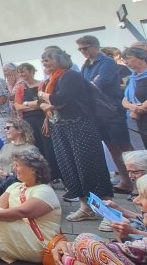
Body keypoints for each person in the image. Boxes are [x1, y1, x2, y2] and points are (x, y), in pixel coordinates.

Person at [38, 47, 113, 222]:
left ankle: (108, 213)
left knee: (89, 167)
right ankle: (85, 207)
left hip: (80, 127)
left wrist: (45, 97)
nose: (45, 62)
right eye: (43, 59)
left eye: (48, 58)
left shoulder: (69, 75)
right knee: (70, 168)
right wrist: (49, 102)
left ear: (59, 59)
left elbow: (59, 99)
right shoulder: (51, 80)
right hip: (60, 128)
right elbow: (45, 103)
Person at [77, 35, 135, 194]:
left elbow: (98, 85)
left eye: (85, 48)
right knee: (111, 146)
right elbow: (84, 87)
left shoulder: (107, 62)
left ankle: (138, 183)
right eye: (80, 49)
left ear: (95, 46)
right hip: (96, 112)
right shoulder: (86, 66)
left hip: (111, 109)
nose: (83, 51)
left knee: (124, 146)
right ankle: (126, 181)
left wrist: (88, 86)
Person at [102, 150, 147, 238]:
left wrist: (133, 231)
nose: (130, 176)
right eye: (128, 171)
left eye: (135, 172)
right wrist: (118, 209)